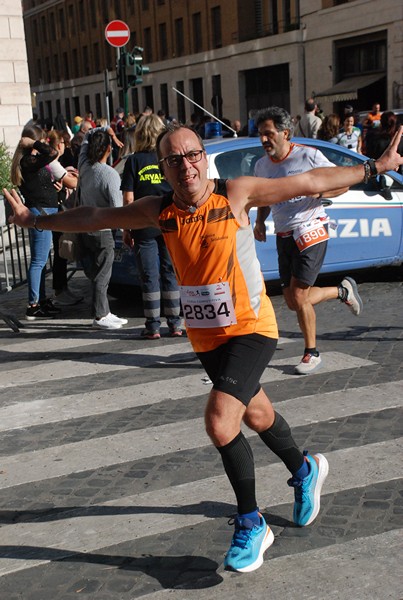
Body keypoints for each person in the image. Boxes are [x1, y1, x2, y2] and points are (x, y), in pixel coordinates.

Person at [5, 123, 403, 574]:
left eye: (192, 155)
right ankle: (305, 468)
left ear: (203, 158)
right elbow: (95, 217)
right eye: (174, 160)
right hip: (206, 336)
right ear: (164, 169)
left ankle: (252, 522)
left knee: (219, 420)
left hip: (251, 328)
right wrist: (35, 220)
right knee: (256, 414)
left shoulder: (234, 193)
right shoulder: (161, 210)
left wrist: (374, 167)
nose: (186, 165)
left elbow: (311, 182)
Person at [252, 106, 361, 374]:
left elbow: (343, 182)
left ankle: (311, 353)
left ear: (285, 133)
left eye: (269, 134)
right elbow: (264, 196)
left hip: (311, 228)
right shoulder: (261, 165)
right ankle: (342, 291)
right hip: (284, 233)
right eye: (260, 135)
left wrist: (320, 192)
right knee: (291, 301)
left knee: (299, 295)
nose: (264, 140)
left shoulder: (308, 156)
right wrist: (259, 221)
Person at [120, 115, 181, 339]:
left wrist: (127, 229)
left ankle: (153, 326)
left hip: (142, 224)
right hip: (170, 222)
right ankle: (175, 323)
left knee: (149, 276)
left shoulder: (133, 162)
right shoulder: (167, 159)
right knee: (170, 273)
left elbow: (128, 199)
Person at [77, 126, 128, 329]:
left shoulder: (84, 166)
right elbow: (117, 208)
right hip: (103, 230)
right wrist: (124, 231)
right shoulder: (110, 174)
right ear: (108, 149)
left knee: (96, 273)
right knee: (103, 274)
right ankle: (100, 315)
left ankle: (103, 310)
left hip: (84, 227)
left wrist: (103, 130)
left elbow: (85, 140)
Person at [10, 125, 62, 320]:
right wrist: (33, 143)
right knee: (39, 261)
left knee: (41, 260)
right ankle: (33, 305)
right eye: (40, 140)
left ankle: (40, 300)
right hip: (40, 214)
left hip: (45, 212)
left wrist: (53, 187)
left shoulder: (32, 161)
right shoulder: (28, 161)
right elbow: (52, 152)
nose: (43, 144)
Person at [47, 129, 83, 307]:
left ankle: (62, 288)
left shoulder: (56, 162)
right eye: (61, 143)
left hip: (58, 212)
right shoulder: (52, 163)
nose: (64, 146)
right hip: (56, 213)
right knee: (60, 252)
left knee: (61, 253)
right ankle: (59, 290)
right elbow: (72, 182)